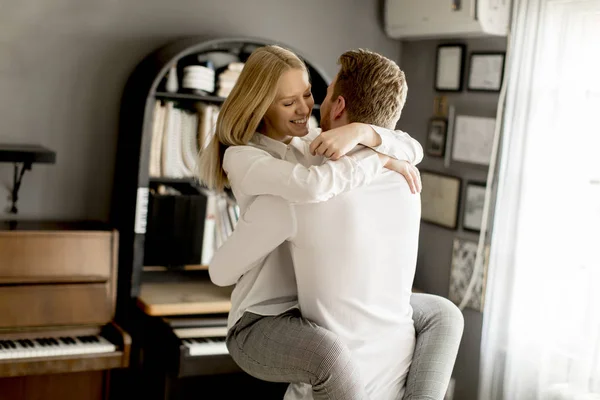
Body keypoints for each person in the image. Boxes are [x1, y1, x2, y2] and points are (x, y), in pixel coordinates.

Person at [198, 45, 422, 400]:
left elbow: (412, 147)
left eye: (308, 94)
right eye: (289, 103)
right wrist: (376, 160)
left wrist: (365, 134)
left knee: (442, 315)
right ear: (260, 106)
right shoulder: (247, 160)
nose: (305, 109)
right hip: (264, 311)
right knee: (332, 360)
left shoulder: (309, 143)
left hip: (305, 307)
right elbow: (311, 187)